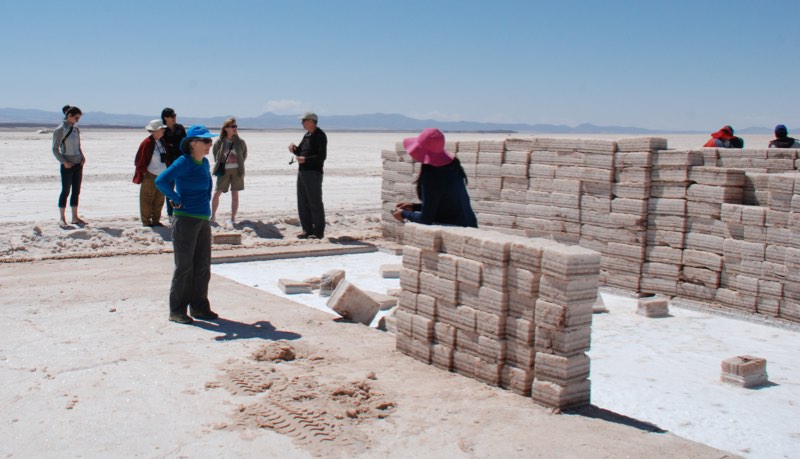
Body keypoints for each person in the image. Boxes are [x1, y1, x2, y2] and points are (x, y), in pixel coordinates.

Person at [155, 125, 218, 324]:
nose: (209, 144)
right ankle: (177, 311)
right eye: (206, 141)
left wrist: (206, 204)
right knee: (184, 266)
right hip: (185, 219)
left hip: (202, 219)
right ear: (193, 143)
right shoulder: (184, 162)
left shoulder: (204, 163)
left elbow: (209, 185)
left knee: (202, 265)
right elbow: (161, 181)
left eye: (210, 141)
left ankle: (199, 307)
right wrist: (175, 198)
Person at [392, 128, 478, 228]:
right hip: (470, 224)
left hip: (455, 228)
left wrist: (404, 214)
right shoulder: (453, 167)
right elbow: (446, 204)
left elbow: (425, 219)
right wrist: (414, 207)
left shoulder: (431, 176)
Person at [288, 112, 327, 239]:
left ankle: (318, 231)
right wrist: (294, 149)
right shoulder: (307, 135)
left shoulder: (319, 135)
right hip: (303, 171)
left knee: (314, 201)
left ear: (311, 121)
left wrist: (306, 159)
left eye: (304, 121)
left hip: (313, 172)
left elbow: (321, 156)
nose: (302, 123)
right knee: (302, 201)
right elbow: (301, 151)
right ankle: (307, 229)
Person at [51, 105, 87, 228]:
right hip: (67, 165)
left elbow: (78, 145)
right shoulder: (60, 130)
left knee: (76, 191)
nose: (77, 121)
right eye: (76, 118)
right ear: (69, 116)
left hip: (78, 164)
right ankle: (62, 218)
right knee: (65, 191)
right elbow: (55, 149)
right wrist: (64, 162)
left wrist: (82, 157)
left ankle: (75, 217)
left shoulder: (76, 129)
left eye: (79, 119)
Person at [211, 117, 248, 225]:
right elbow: (215, 155)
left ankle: (232, 218)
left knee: (235, 195)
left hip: (237, 171)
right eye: (232, 126)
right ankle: (213, 216)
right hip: (224, 171)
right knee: (217, 193)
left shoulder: (240, 142)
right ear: (226, 128)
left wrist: (238, 162)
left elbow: (244, 154)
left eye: (235, 126)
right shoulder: (219, 142)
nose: (235, 128)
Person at [133, 119, 169, 227]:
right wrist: (143, 173)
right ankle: (146, 221)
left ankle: (156, 220)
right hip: (150, 175)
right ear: (154, 131)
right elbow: (139, 160)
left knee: (159, 199)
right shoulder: (147, 143)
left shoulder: (162, 142)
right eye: (161, 129)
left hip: (162, 176)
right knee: (147, 199)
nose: (163, 131)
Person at [160, 107, 187, 223]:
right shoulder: (162, 131)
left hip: (181, 163)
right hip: (169, 164)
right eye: (172, 116)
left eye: (175, 115)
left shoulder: (180, 128)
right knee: (170, 189)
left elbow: (185, 143)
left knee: (183, 187)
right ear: (165, 118)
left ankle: (183, 212)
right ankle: (171, 214)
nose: (174, 118)